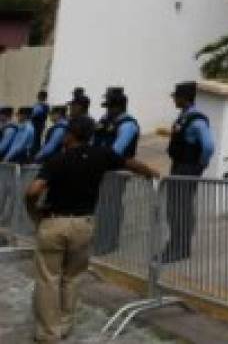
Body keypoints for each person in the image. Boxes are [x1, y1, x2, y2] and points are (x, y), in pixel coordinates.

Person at [24, 115, 158, 343]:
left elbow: (32, 191)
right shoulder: (102, 155)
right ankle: (65, 325)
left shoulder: (57, 160)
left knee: (48, 279)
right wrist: (151, 174)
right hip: (84, 224)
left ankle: (49, 333)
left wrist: (33, 212)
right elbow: (129, 162)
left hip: (54, 222)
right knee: (73, 277)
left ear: (70, 135)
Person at [159, 81, 214, 263]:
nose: (174, 99)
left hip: (188, 167)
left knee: (181, 208)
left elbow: (208, 146)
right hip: (179, 165)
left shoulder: (197, 120)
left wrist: (200, 165)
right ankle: (176, 243)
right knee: (174, 208)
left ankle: (181, 247)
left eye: (176, 97)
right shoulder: (184, 116)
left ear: (184, 98)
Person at [90, 87, 140, 256]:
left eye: (110, 106)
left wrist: (97, 160)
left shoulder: (128, 125)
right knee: (101, 206)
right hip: (102, 170)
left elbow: (116, 151)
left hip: (116, 171)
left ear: (119, 107)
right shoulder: (105, 120)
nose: (107, 110)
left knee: (111, 207)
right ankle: (100, 239)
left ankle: (109, 243)